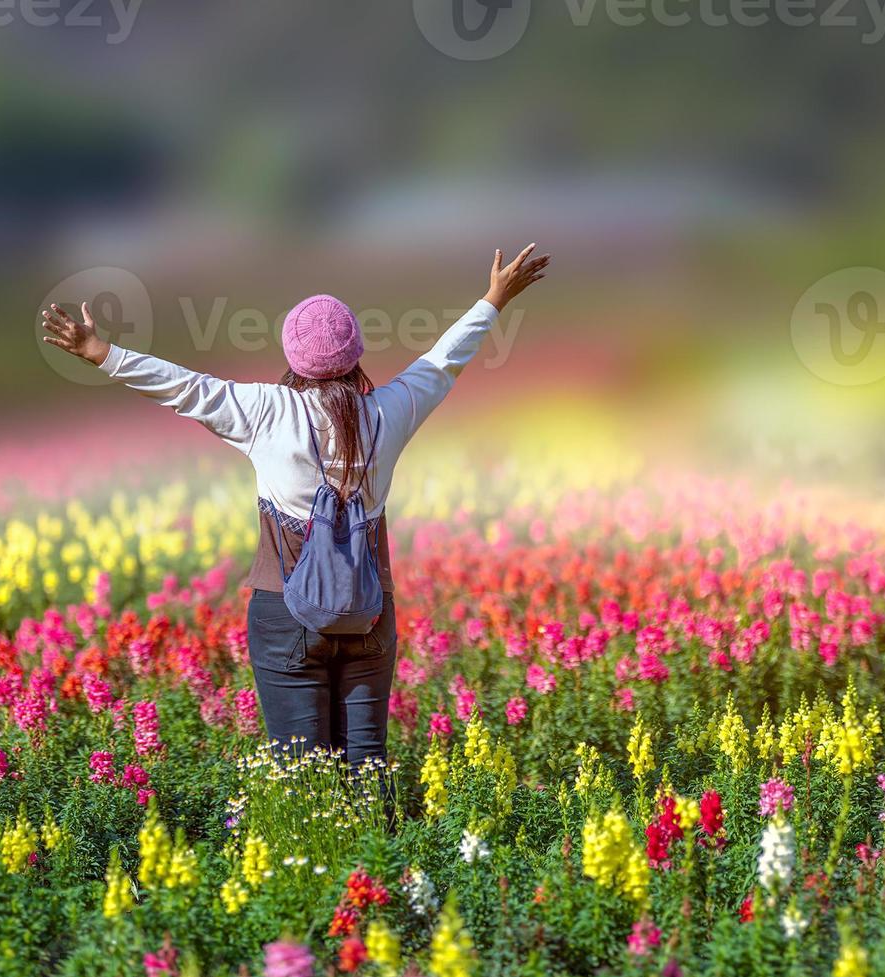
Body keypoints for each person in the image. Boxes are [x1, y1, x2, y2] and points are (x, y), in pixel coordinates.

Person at [39, 244, 549, 765]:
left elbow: (186, 389)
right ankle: (379, 843)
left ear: (293, 357)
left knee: (301, 771)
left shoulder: (265, 411)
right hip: (368, 611)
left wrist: (103, 352)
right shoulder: (388, 414)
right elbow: (441, 364)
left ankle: (313, 845)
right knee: (366, 764)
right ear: (355, 355)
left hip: (284, 613)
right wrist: (493, 299)